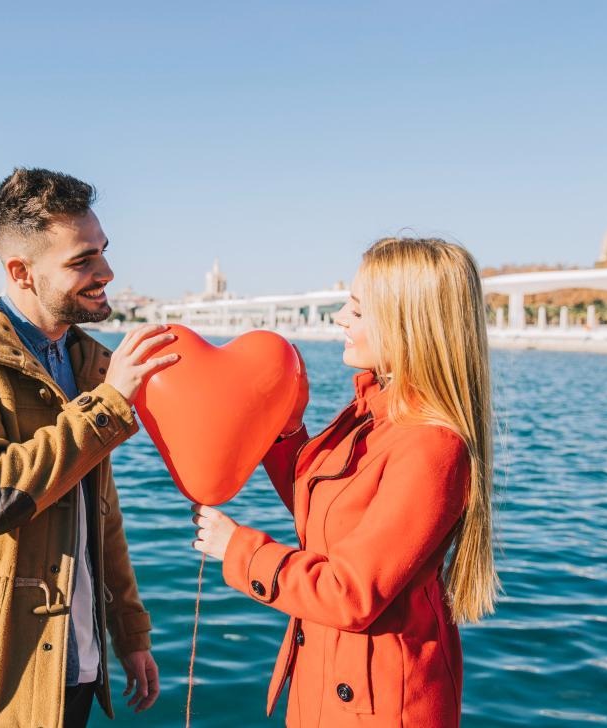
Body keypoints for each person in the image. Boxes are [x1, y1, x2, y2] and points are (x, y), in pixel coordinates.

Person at [0, 167, 179, 728]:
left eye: (102, 251)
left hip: (76, 669)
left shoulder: (86, 360)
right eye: (81, 260)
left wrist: (131, 633)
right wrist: (112, 403)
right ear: (19, 271)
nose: (106, 272)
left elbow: (102, 515)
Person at [191, 237, 498, 727]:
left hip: (379, 705)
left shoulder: (431, 445)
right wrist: (287, 428)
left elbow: (350, 593)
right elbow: (328, 514)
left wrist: (238, 549)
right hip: (333, 680)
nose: (339, 318)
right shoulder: (372, 415)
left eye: (356, 309)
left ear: (406, 322)